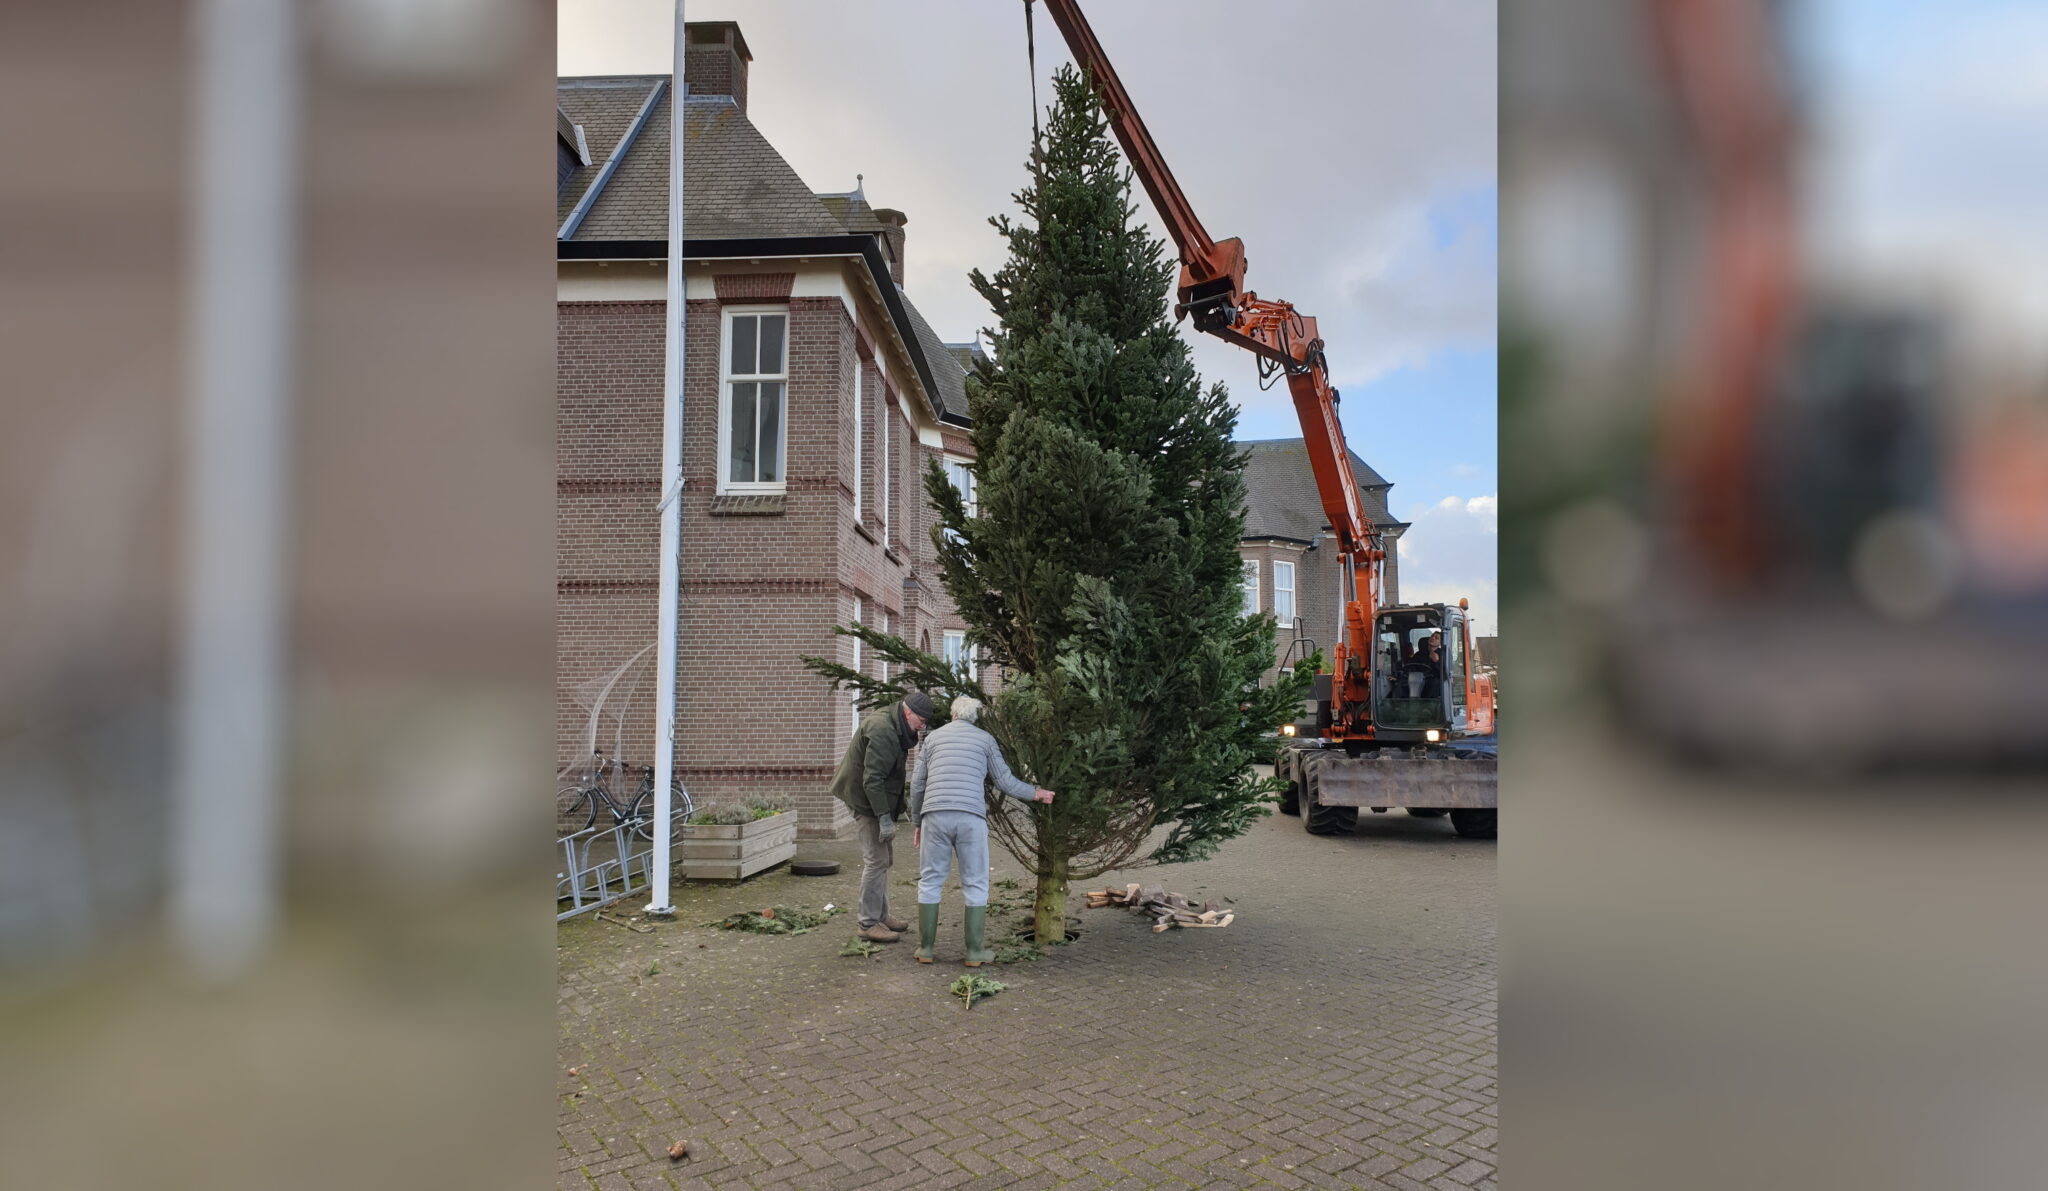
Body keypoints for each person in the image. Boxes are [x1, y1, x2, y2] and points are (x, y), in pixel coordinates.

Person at [907, 696, 1054, 966]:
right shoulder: (985, 740)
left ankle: (925, 949)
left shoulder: (933, 739)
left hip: (935, 815)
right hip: (970, 817)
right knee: (975, 882)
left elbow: (917, 784)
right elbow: (1005, 781)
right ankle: (974, 952)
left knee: (929, 881)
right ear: (975, 717)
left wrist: (917, 821)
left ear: (952, 715)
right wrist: (1037, 794)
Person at [829, 689, 933, 943]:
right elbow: (872, 780)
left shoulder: (896, 723)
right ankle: (867, 923)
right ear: (908, 713)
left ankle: (880, 915)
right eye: (921, 721)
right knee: (876, 860)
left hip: (873, 797)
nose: (922, 728)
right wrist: (884, 817)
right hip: (865, 799)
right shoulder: (884, 730)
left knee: (884, 859)